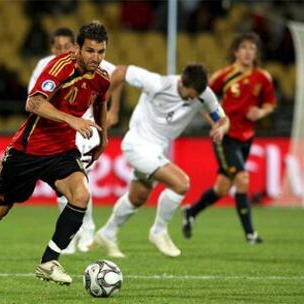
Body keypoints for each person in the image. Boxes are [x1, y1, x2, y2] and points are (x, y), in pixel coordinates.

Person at [0, 22, 110, 290]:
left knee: (81, 195)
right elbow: (32, 102)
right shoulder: (60, 67)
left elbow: (101, 101)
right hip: (27, 151)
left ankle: (49, 261)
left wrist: (104, 138)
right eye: (90, 51)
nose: (96, 57)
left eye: (100, 51)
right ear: (78, 48)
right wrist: (71, 120)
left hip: (62, 151)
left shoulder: (102, 77)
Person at [95, 63, 229, 258]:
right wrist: (108, 106)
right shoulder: (158, 83)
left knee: (138, 197)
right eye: (189, 95)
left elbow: (222, 118)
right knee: (181, 184)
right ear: (181, 82)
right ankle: (159, 231)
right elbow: (122, 71)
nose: (193, 99)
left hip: (156, 149)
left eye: (195, 97)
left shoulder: (203, 94)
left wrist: (221, 128)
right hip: (137, 145)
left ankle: (107, 233)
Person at [28, 27, 122, 254]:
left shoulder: (94, 62)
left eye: (65, 46)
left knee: (74, 183)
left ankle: (82, 231)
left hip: (85, 130)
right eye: (57, 47)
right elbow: (34, 100)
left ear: (74, 47)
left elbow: (115, 77)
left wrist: (112, 114)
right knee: (69, 187)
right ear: (52, 48)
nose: (62, 50)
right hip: (55, 131)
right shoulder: (46, 66)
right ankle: (75, 231)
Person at [182, 32, 276, 244]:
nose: (248, 52)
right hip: (226, 136)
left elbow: (270, 103)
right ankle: (250, 234)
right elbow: (200, 99)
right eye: (244, 47)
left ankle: (191, 212)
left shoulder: (263, 77)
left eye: (252, 48)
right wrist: (215, 123)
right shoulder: (223, 76)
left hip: (247, 137)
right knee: (242, 178)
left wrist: (260, 113)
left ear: (256, 53)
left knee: (222, 188)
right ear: (235, 51)